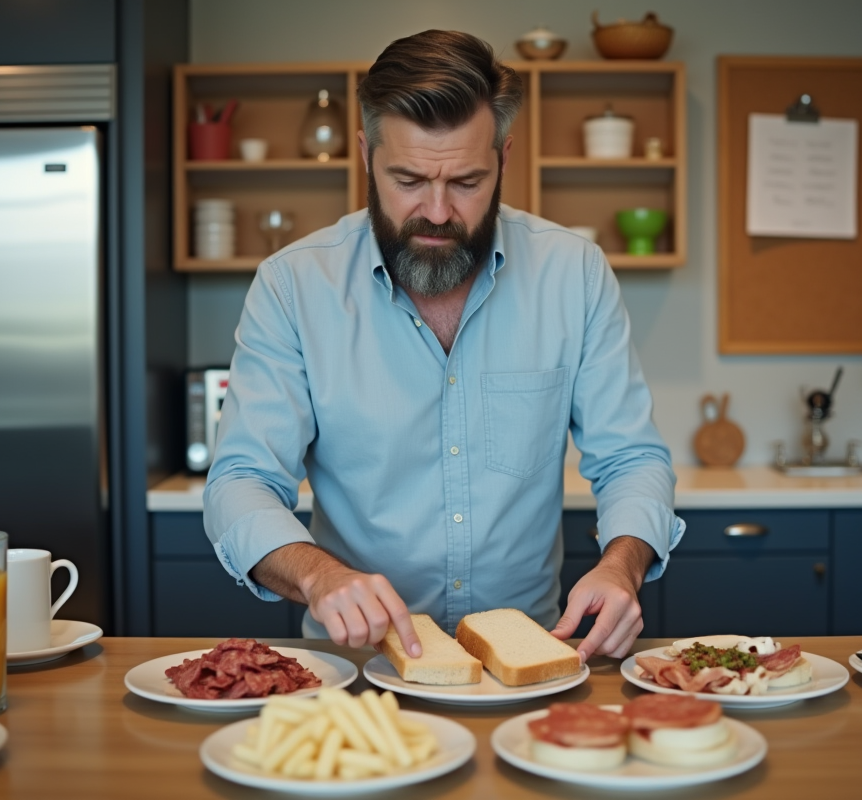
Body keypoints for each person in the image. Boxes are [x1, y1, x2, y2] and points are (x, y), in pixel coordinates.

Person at [203, 29, 684, 663]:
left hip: (532, 662)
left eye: (466, 181)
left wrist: (622, 567)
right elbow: (241, 480)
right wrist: (320, 576)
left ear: (504, 160)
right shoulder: (294, 285)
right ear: (366, 155)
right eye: (407, 179)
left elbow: (630, 459)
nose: (435, 210)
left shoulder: (576, 274)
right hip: (357, 665)